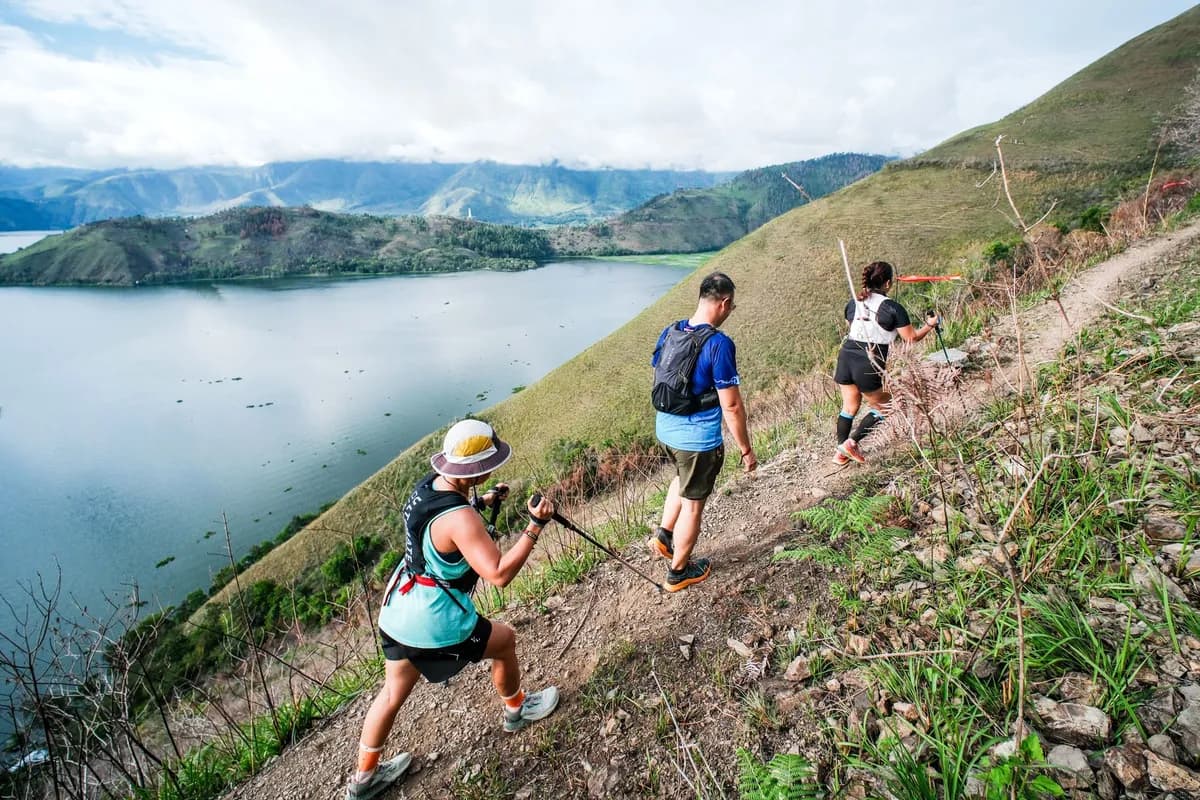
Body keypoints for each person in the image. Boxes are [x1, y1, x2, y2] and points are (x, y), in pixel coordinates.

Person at [344, 418, 560, 800]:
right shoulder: (461, 519)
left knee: (392, 692)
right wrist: (535, 526)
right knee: (505, 640)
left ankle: (364, 780)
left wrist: (484, 501)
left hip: (399, 609)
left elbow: (440, 522)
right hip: (433, 618)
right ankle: (517, 710)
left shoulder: (426, 487)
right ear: (473, 471)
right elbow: (498, 573)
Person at [647, 271, 756, 592]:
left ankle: (665, 537)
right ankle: (678, 572)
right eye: (731, 307)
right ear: (724, 303)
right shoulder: (719, 344)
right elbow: (732, 406)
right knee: (693, 503)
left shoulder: (671, 331)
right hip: (697, 441)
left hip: (665, 429)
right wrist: (746, 450)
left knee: (681, 479)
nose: (730, 311)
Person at [832, 260, 940, 465]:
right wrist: (930, 325)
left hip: (846, 355)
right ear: (888, 283)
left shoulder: (854, 302)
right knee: (886, 406)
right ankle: (850, 444)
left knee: (849, 406)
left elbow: (852, 327)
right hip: (869, 360)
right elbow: (910, 338)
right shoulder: (893, 308)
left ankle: (840, 453)